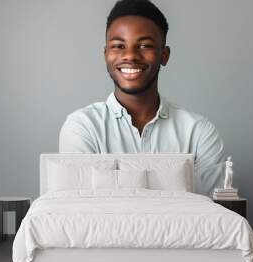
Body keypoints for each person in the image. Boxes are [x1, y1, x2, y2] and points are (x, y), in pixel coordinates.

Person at [58, 0, 225, 195]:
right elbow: (82, 212)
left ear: (164, 55)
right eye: (118, 45)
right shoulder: (82, 127)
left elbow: (209, 215)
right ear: (106, 54)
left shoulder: (198, 133)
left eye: (145, 45)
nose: (130, 55)